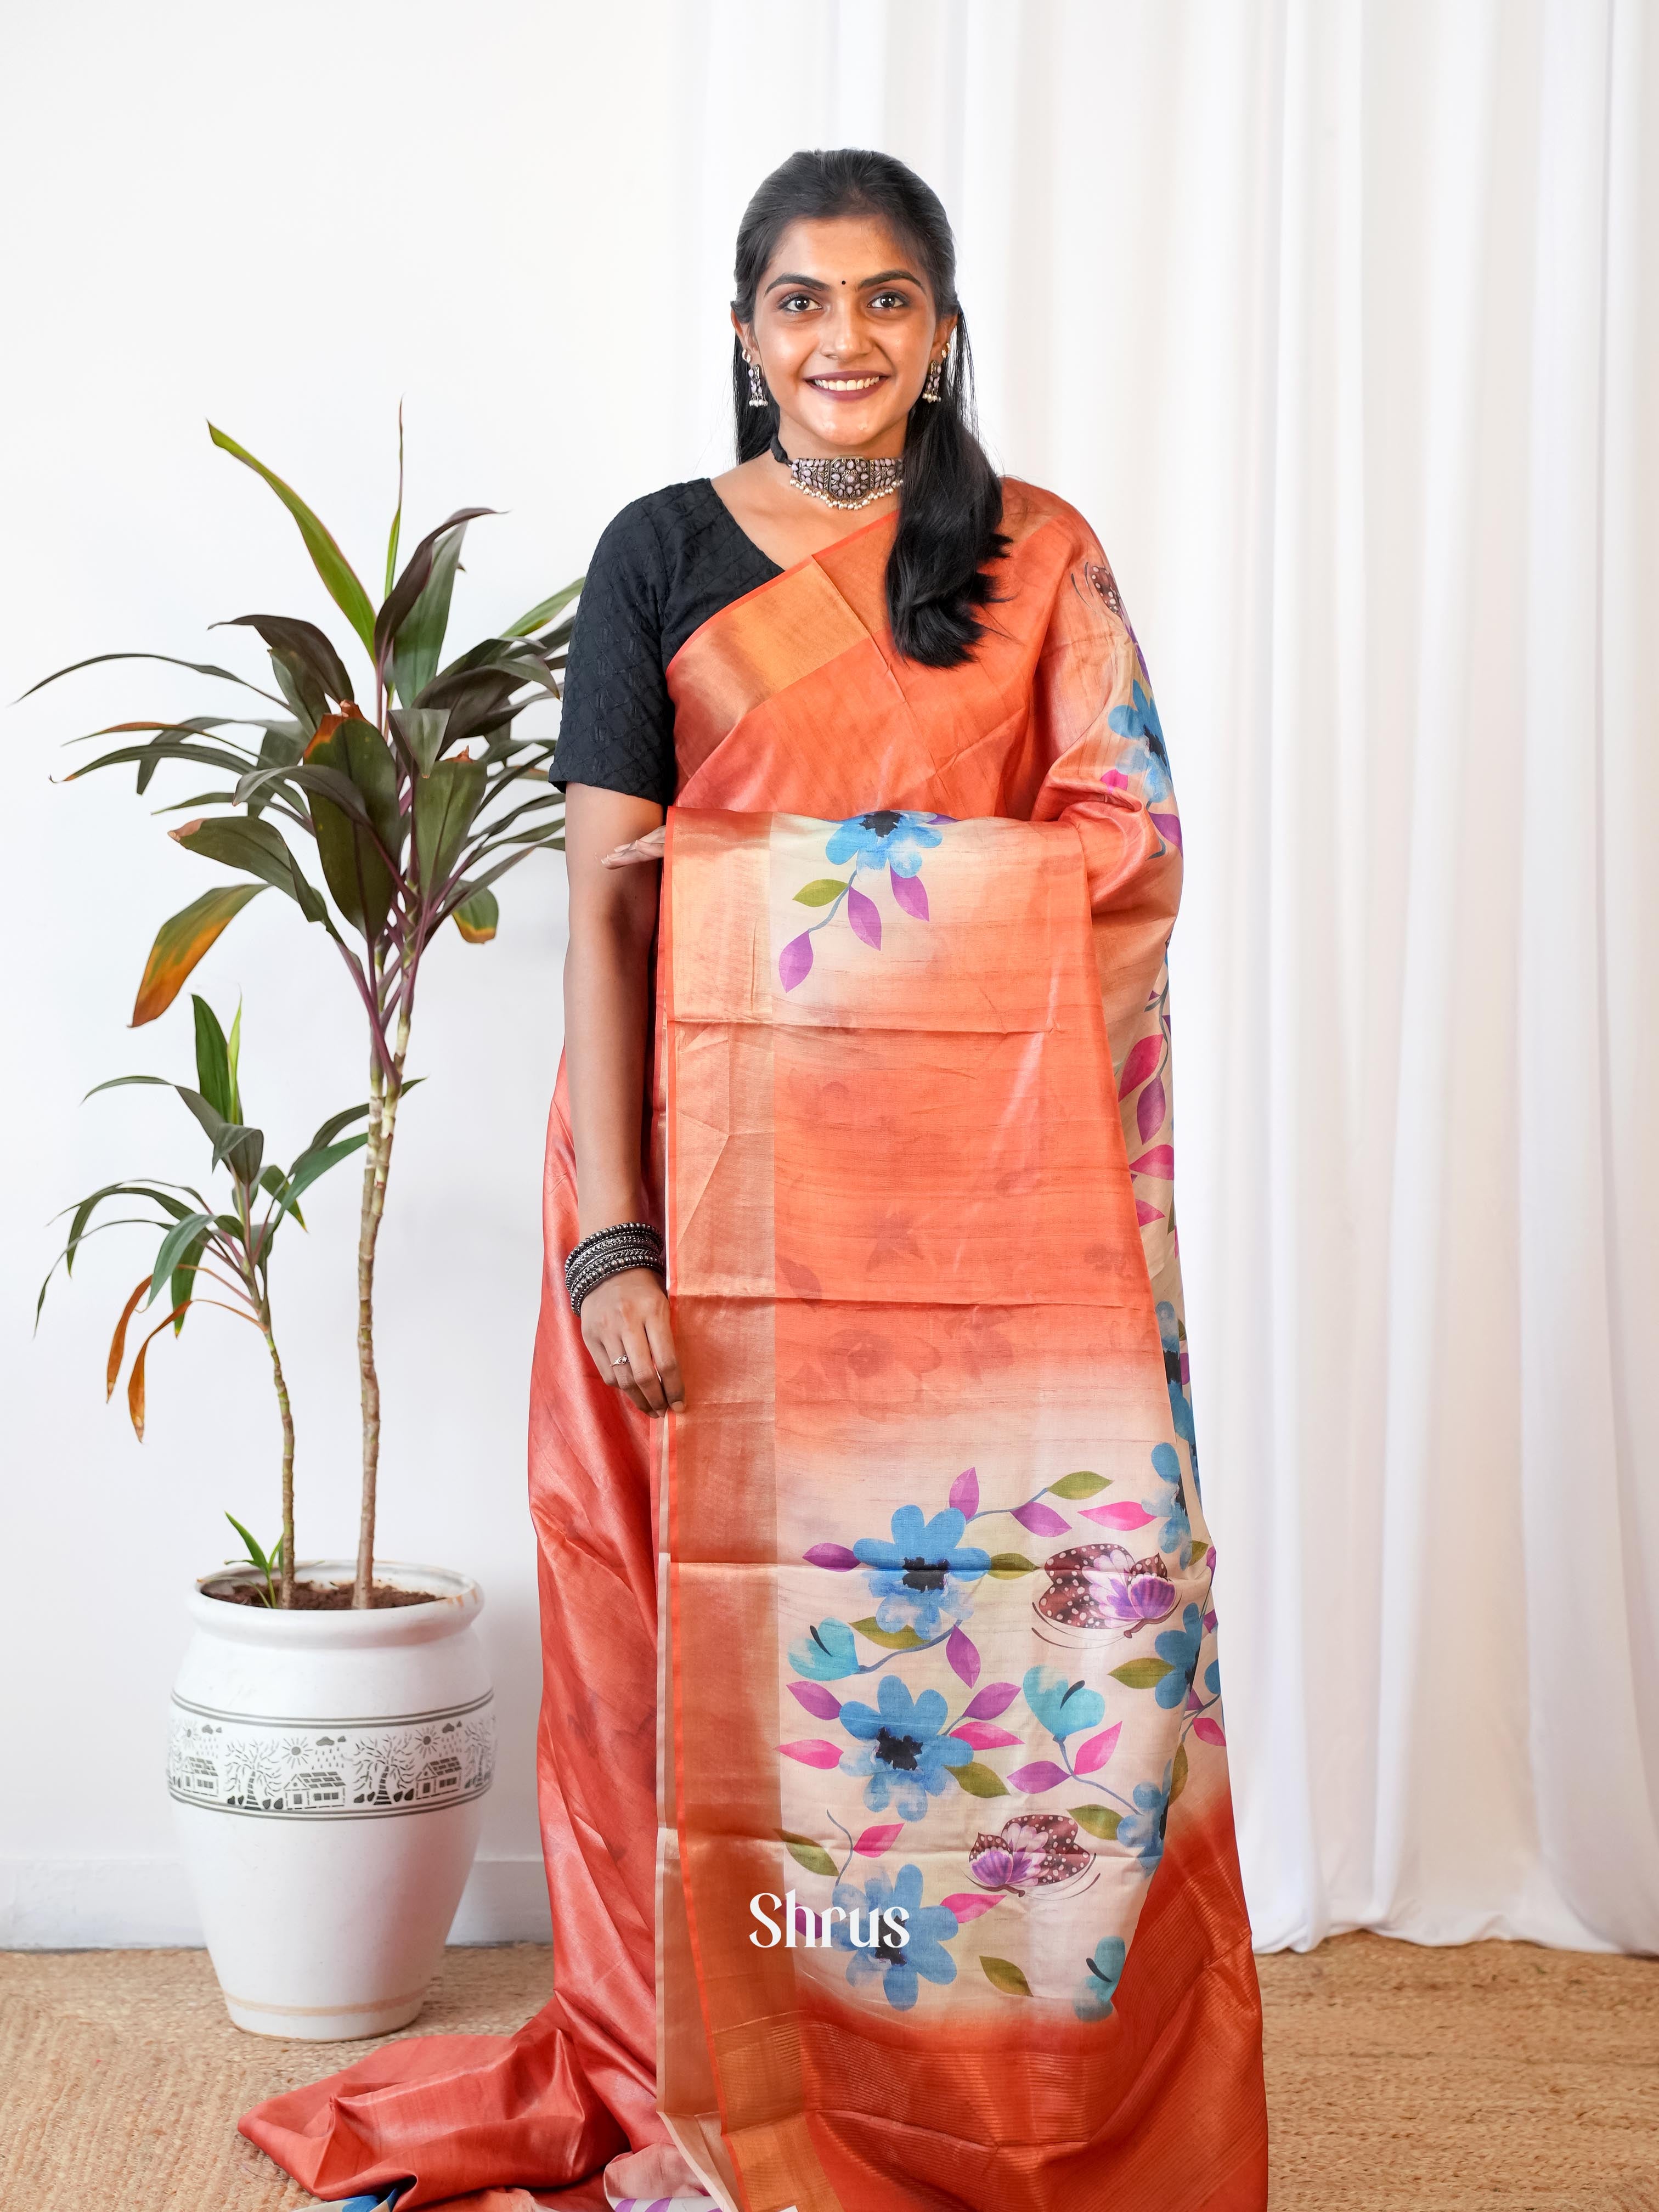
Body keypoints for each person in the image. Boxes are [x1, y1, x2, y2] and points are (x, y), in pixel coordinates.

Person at [243, 146, 1268, 2212]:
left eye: (888, 301)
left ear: (944, 327)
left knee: (1007, 1664)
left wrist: (767, 882)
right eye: (802, 303)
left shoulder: (1039, 563)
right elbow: (605, 917)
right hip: (697, 1224)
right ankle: (709, 2112)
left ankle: (976, 2104)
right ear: (744, 335)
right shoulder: (662, 560)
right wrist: (615, 1236)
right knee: (677, 1682)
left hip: (977, 1257)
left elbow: (1128, 865)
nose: (845, 341)